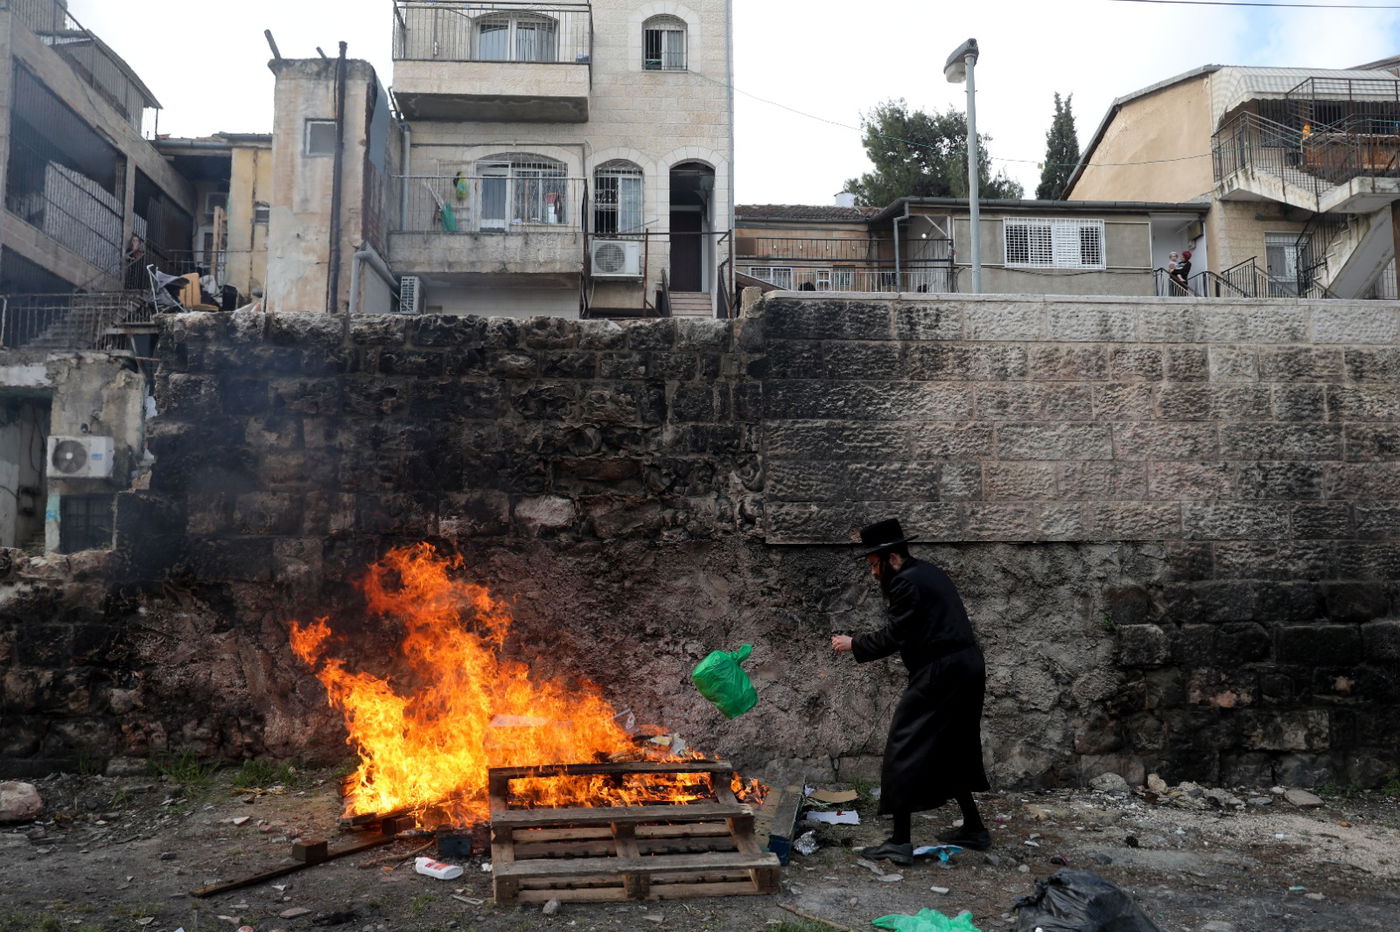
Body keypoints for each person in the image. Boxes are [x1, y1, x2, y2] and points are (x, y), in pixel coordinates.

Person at [831, 518, 991, 865]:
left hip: (942, 672)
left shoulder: (906, 582)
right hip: (965, 666)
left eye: (875, 565)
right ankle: (974, 828)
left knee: (903, 745)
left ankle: (900, 842)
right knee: (952, 746)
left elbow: (896, 635)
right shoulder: (928, 572)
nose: (873, 573)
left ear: (892, 558)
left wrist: (854, 643)